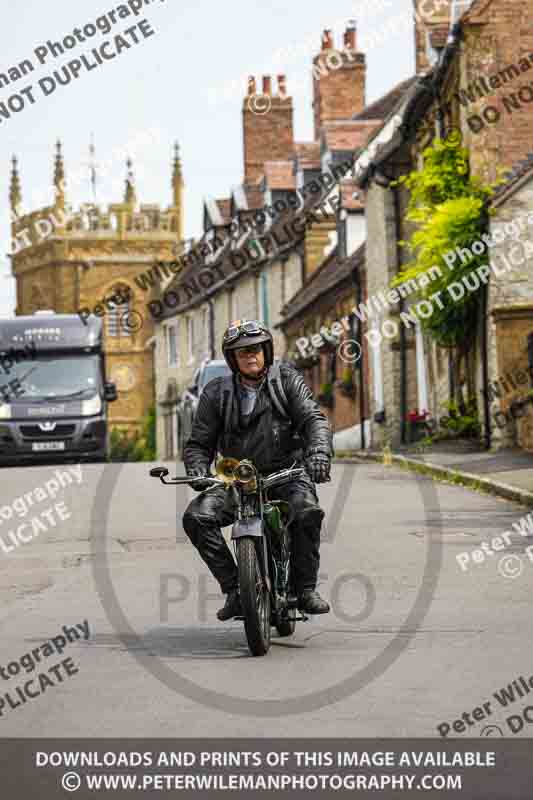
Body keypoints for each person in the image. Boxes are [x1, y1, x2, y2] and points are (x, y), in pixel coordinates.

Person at [182, 319, 333, 621]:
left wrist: (318, 453)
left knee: (307, 511)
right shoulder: (216, 393)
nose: (250, 356)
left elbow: (313, 419)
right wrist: (197, 467)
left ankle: (304, 588)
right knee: (196, 517)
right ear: (232, 359)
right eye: (241, 353)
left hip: (286, 473)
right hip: (236, 478)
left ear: (265, 350)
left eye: (254, 349)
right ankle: (235, 589)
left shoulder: (286, 380)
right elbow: (198, 443)